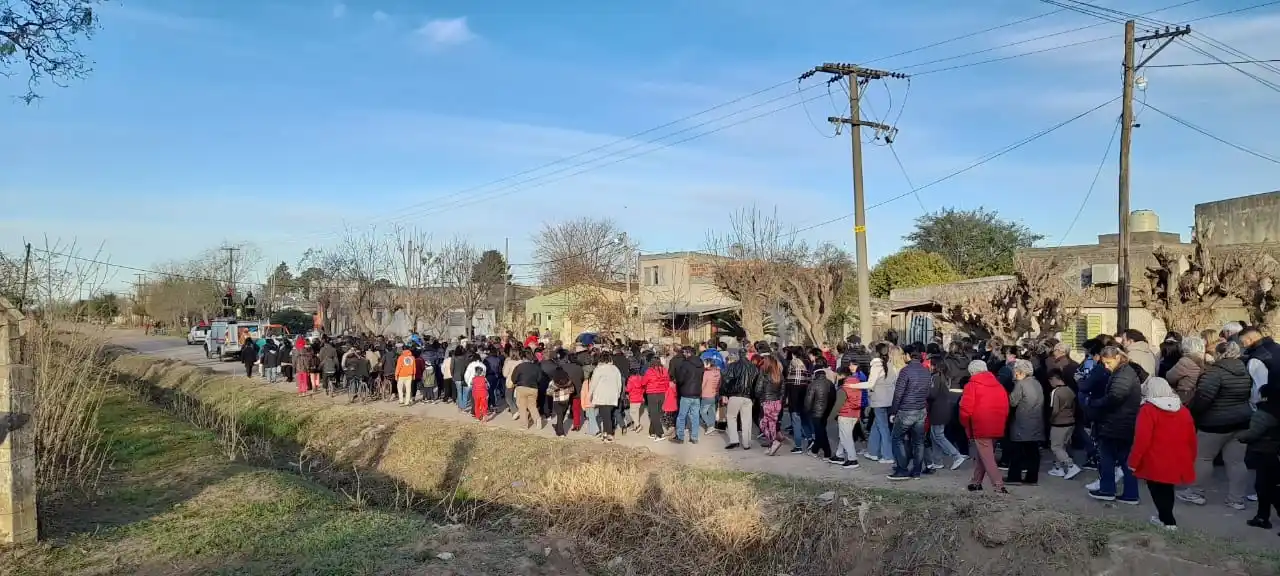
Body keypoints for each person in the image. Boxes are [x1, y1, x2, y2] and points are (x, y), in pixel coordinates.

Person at [1179, 340, 1254, 510]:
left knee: (1203, 458)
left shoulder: (1213, 373)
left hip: (1214, 423)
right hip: (1242, 421)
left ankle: (1195, 493)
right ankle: (1236, 499)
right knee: (1236, 462)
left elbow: (1203, 398)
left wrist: (1194, 413)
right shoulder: (1244, 371)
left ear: (1219, 354)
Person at [1128, 377, 1196, 531]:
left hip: (1155, 459)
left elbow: (1141, 439)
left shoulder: (1148, 410)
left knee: (1157, 491)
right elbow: (1191, 437)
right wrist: (1190, 458)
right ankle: (1166, 519)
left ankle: (1167, 521)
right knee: (1167, 489)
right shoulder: (1183, 410)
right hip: (1177, 457)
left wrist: (1133, 462)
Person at [1089, 346, 1145, 504]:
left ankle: (1107, 489)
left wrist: (1095, 403)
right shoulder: (1125, 372)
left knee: (1107, 456)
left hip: (1117, 423)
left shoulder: (1123, 374)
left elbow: (1115, 397)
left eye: (1108, 363)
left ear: (1118, 358)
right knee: (1125, 460)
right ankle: (1130, 493)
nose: (1106, 367)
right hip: (1122, 423)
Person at [961, 361, 1010, 493]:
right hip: (997, 423)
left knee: (987, 457)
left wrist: (965, 423)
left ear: (972, 372)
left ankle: (999, 485)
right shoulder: (998, 385)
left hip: (980, 424)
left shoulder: (971, 386)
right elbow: (1006, 406)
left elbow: (966, 409)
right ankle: (976, 482)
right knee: (983, 454)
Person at [1240, 383, 1280, 531]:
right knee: (1270, 487)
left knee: (1266, 488)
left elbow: (1253, 434)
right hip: (1274, 453)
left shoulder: (1263, 413)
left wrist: (1239, 436)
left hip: (1263, 452)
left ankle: (1262, 517)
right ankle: (1262, 517)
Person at [888, 349, 932, 481]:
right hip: (920, 409)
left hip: (906, 410)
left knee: (897, 438)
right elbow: (928, 392)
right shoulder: (926, 371)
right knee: (918, 441)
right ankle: (917, 471)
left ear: (908, 356)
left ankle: (902, 469)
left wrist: (893, 411)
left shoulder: (905, 371)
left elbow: (898, 393)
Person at [1005, 359, 1045, 486]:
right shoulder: (1037, 383)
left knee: (1017, 451)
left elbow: (1012, 402)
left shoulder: (1021, 385)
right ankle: (1032, 478)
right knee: (1033, 451)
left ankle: (1014, 477)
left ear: (1020, 372)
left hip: (1022, 422)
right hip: (1036, 421)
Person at [927, 355, 966, 471]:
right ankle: (937, 460)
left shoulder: (936, 378)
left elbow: (932, 394)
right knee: (934, 436)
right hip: (943, 408)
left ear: (934, 366)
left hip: (937, 410)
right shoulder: (945, 377)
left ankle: (956, 456)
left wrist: (925, 391)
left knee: (938, 435)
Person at [832, 365, 871, 468]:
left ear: (841, 375)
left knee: (846, 437)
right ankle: (839, 455)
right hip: (855, 413)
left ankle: (852, 459)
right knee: (844, 435)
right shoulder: (856, 383)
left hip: (845, 414)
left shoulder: (843, 387)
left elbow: (838, 405)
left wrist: (830, 418)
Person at [1046, 368, 1081, 480]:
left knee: (1056, 446)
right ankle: (1058, 468)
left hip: (1059, 423)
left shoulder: (1056, 392)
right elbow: (1074, 406)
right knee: (1063, 446)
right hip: (1070, 422)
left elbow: (1054, 410)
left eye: (1050, 381)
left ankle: (1070, 466)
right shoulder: (1070, 390)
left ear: (1054, 379)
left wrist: (1050, 419)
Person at [865, 344, 898, 464]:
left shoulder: (876, 367)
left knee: (883, 428)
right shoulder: (891, 366)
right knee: (876, 425)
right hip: (889, 399)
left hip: (878, 400)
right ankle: (873, 451)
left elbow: (870, 384)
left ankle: (887, 455)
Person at [720, 349, 758, 450]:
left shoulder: (733, 366)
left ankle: (734, 440)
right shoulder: (754, 367)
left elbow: (726, 380)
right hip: (748, 396)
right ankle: (746, 443)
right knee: (747, 420)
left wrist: (723, 393)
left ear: (738, 355)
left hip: (735, 395)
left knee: (731, 417)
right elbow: (756, 383)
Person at [805, 365, 837, 461]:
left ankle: (823, 452)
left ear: (815, 374)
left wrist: (807, 411)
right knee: (821, 431)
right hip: (826, 412)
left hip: (816, 412)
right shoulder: (830, 383)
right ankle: (819, 451)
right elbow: (833, 398)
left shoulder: (813, 384)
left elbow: (808, 401)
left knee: (820, 432)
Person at [589, 358, 623, 442]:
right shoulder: (615, 369)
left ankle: (609, 434)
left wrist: (590, 394)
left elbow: (593, 383)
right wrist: (618, 394)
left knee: (606, 415)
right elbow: (619, 383)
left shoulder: (599, 369)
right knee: (606, 415)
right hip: (612, 395)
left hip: (602, 396)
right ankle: (605, 432)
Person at [1167, 336, 1206, 406]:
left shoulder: (1185, 361)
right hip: (1200, 396)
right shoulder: (1206, 359)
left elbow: (1169, 377)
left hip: (1185, 397)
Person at [512, 349, 544, 429]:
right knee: (532, 406)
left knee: (522, 407)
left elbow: (514, 378)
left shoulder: (519, 366)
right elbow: (540, 378)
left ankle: (524, 425)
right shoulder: (537, 367)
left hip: (521, 387)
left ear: (523, 357)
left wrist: (517, 382)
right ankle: (537, 419)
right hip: (533, 388)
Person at [642, 356, 670, 441]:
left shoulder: (649, 371)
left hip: (652, 394)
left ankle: (660, 434)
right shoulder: (664, 371)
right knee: (658, 414)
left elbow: (643, 382)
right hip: (662, 394)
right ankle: (652, 432)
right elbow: (667, 382)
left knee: (654, 414)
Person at [550, 366, 575, 436]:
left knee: (560, 415)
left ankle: (560, 433)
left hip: (557, 400)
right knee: (561, 415)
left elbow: (549, 392)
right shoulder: (569, 381)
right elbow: (572, 390)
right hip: (566, 400)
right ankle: (557, 426)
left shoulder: (553, 382)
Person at [700, 357, 721, 434]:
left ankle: (710, 425)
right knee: (711, 411)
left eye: (705, 363)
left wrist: (699, 393)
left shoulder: (706, 373)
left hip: (706, 395)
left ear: (708, 364)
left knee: (702, 412)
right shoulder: (718, 372)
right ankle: (712, 425)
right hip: (715, 394)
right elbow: (719, 384)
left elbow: (703, 384)